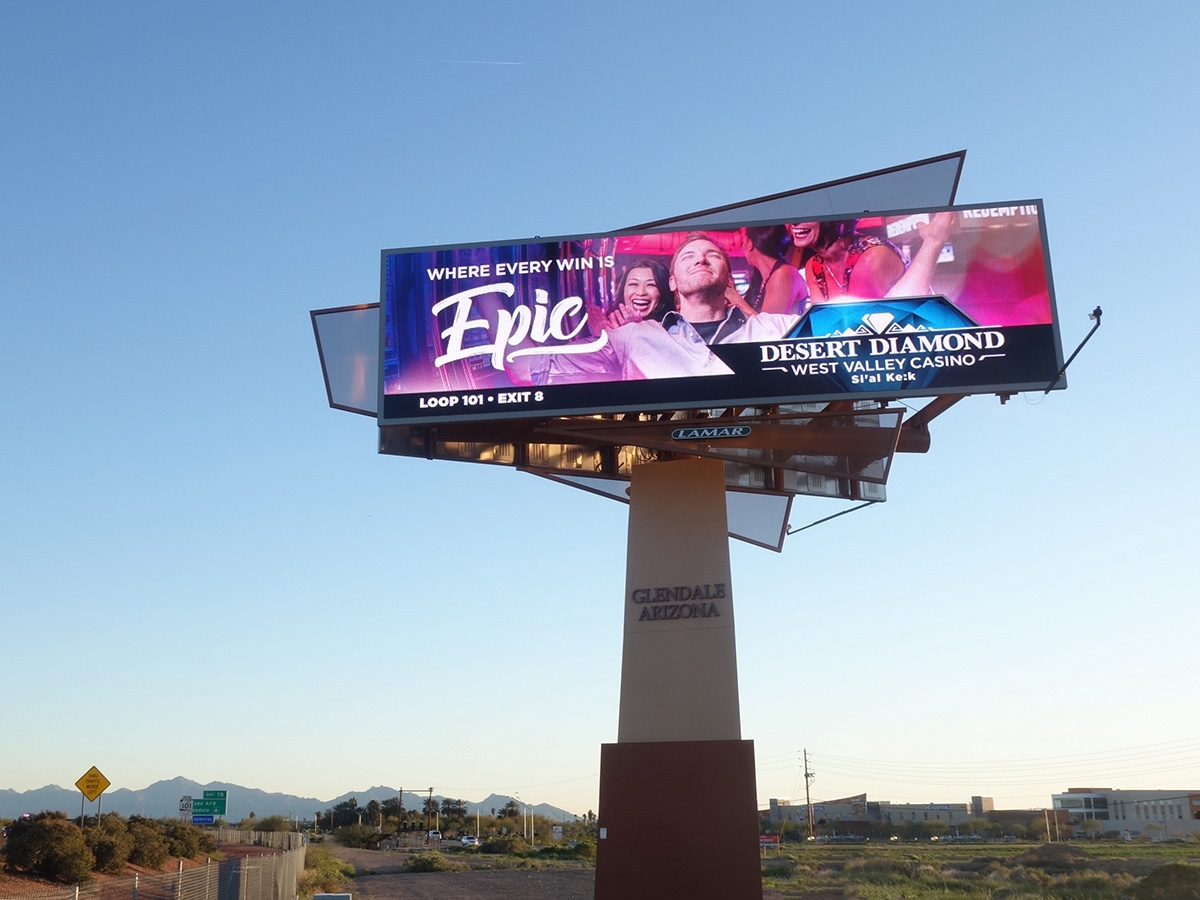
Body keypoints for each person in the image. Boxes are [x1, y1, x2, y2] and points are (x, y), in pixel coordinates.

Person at [787, 218, 906, 301]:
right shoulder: (813, 265)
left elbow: (857, 325)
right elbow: (823, 323)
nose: (794, 221)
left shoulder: (871, 256)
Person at [736, 225, 807, 316]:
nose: (742, 248)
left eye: (742, 242)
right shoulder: (760, 277)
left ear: (750, 244)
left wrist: (735, 298)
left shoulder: (783, 274)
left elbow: (768, 327)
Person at [603, 258, 674, 327]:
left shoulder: (675, 330)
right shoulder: (607, 328)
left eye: (651, 285)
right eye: (633, 284)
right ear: (623, 290)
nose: (641, 293)